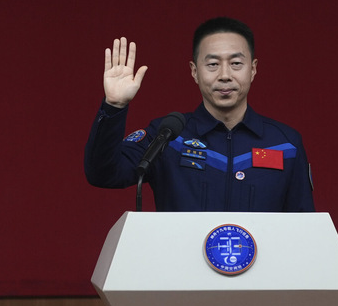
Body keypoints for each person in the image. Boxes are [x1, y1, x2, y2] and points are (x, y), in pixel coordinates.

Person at [84, 16, 314, 211]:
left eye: (236, 63)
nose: (225, 75)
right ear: (194, 71)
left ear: (252, 69)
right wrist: (114, 105)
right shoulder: (168, 136)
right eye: (212, 64)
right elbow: (104, 174)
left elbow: (304, 228)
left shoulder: (285, 144)